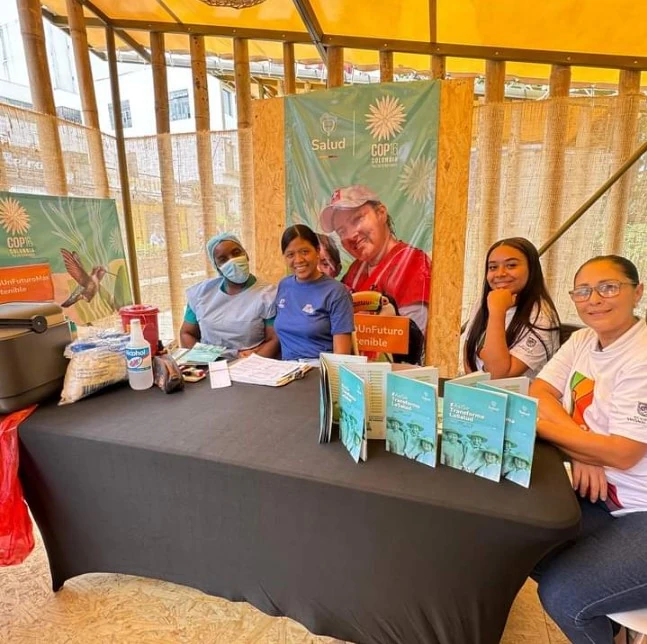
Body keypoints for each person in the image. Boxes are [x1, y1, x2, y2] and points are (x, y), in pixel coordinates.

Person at [528, 255, 647, 643]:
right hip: (601, 498)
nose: (594, 299)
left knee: (563, 596)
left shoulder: (641, 355)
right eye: (583, 291)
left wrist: (545, 428)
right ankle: (611, 628)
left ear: (637, 292)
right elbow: (540, 391)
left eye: (608, 287)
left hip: (640, 510)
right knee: (520, 539)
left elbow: (624, 453)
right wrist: (584, 451)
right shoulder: (581, 340)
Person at [319, 185, 431, 339]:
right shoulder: (356, 269)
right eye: (342, 231)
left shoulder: (413, 263)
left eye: (357, 219)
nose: (350, 235)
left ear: (381, 213)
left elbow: (412, 341)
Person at [463, 237, 560, 380]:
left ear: (531, 269)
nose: (500, 274)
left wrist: (497, 312)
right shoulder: (483, 302)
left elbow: (498, 375)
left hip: (518, 394)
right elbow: (469, 352)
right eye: (493, 267)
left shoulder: (541, 318)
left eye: (511, 265)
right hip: (479, 391)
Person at [180, 232, 278, 360]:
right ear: (217, 267)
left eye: (236, 253)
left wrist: (251, 363)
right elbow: (187, 333)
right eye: (223, 259)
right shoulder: (201, 293)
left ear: (246, 254)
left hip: (250, 363)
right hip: (208, 363)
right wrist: (206, 360)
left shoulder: (268, 295)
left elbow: (274, 340)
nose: (232, 261)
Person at [274, 224, 354, 361]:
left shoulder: (336, 292)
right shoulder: (284, 286)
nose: (298, 260)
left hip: (319, 368)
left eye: (305, 252)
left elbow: (342, 355)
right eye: (290, 255)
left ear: (317, 251)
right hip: (286, 368)